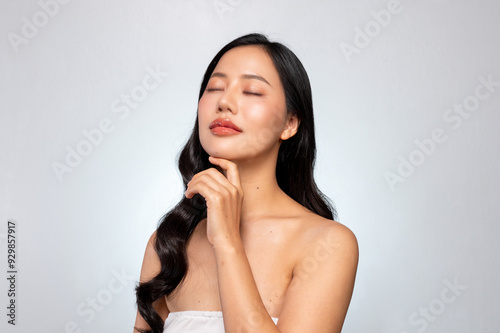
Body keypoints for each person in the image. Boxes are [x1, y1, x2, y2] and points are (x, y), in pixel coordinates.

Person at [133, 33, 358, 333]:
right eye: (214, 88)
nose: (224, 102)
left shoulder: (328, 244)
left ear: (290, 123)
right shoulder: (168, 243)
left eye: (252, 91)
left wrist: (227, 243)